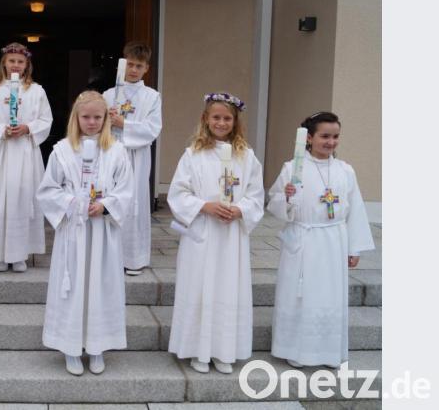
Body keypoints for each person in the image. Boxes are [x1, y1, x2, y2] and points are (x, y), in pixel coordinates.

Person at [37, 91, 134, 375]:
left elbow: (125, 190)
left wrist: (105, 206)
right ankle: (70, 347)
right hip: (74, 232)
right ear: (76, 118)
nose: (91, 122)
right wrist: (72, 203)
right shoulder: (62, 151)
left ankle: (97, 346)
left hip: (103, 232)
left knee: (100, 286)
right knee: (73, 287)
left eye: (97, 117)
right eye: (86, 117)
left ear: (106, 119)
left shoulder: (116, 151)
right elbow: (48, 190)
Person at [267, 112, 374, 369]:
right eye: (325, 136)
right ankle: (296, 350)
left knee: (329, 296)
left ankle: (328, 351)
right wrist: (287, 196)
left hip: (334, 241)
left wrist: (354, 247)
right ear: (309, 138)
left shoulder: (344, 170)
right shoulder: (292, 168)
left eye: (335, 136)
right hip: (304, 239)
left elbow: (355, 209)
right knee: (300, 296)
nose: (331, 142)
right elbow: (275, 203)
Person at [166, 92, 264, 374]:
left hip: (231, 236)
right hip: (203, 231)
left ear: (235, 122)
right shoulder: (193, 155)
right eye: (216, 117)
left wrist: (241, 209)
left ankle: (224, 350)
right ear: (205, 119)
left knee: (228, 289)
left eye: (227, 118)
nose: (221, 123)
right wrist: (204, 206)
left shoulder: (247, 157)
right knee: (199, 286)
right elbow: (178, 193)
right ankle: (198, 349)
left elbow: (256, 195)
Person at [0, 42, 53, 272]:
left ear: (27, 64)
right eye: (12, 61)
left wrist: (28, 128)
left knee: (23, 199)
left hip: (25, 152)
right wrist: (2, 130)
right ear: (4, 63)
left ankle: (20, 254)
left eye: (20, 61)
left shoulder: (36, 91)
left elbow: (46, 119)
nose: (16, 65)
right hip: (1, 153)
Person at [102, 42, 162, 276]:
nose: (134, 70)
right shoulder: (109, 94)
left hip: (136, 156)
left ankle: (133, 258)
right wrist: (107, 121)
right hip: (111, 153)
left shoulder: (152, 97)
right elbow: (95, 123)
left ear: (146, 68)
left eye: (139, 66)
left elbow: (152, 128)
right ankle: (110, 257)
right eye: (130, 64)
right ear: (122, 65)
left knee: (134, 203)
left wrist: (123, 123)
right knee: (111, 200)